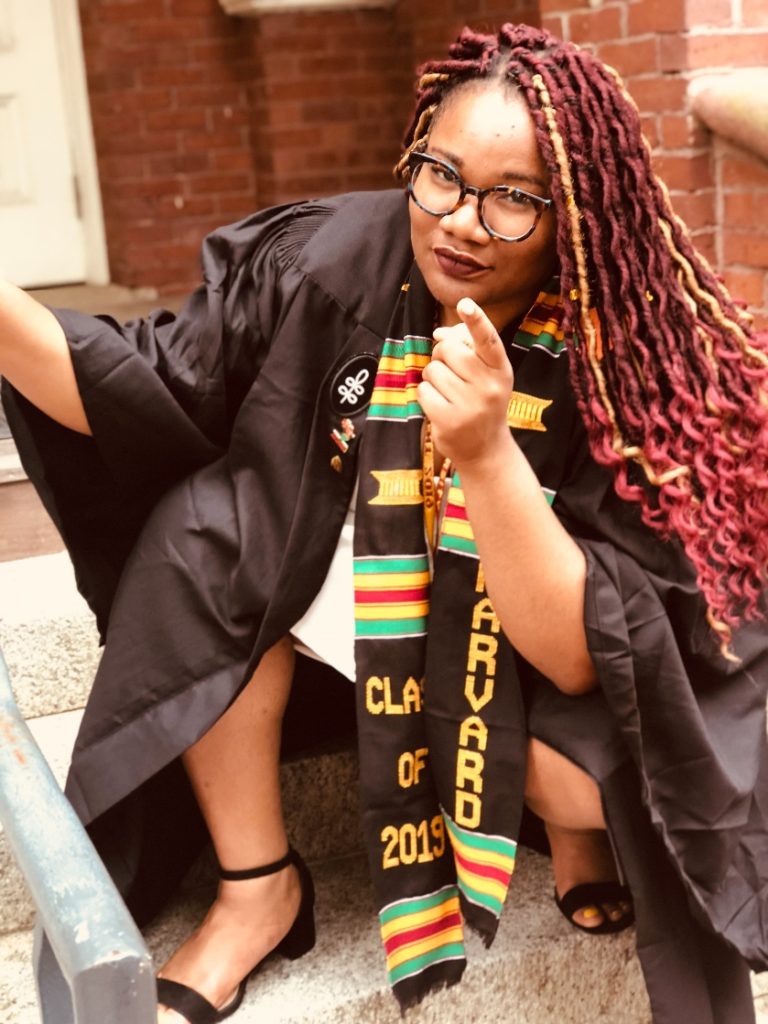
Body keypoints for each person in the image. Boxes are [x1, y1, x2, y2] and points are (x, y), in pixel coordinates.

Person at [1, 21, 767, 1024]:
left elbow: (590, 658)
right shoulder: (328, 260)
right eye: (439, 175)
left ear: (573, 216)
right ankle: (256, 885)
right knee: (204, 533)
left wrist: (489, 456)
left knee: (590, 778)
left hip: (530, 655)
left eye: (511, 199)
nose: (460, 220)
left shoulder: (619, 353)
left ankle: (568, 832)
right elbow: (144, 383)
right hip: (368, 603)